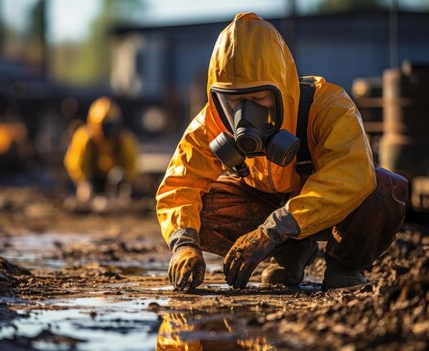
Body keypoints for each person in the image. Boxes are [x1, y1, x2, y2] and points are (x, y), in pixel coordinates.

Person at [155, 13, 408, 291]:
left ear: (281, 87)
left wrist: (274, 230)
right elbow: (180, 185)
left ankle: (345, 266)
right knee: (201, 206)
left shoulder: (328, 107)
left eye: (258, 98)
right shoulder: (213, 121)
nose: (244, 115)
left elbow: (351, 173)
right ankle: (291, 255)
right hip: (266, 208)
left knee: (384, 189)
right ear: (219, 97)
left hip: (316, 213)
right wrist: (184, 244)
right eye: (234, 100)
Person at [64, 96, 139, 205]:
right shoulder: (84, 138)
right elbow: (74, 162)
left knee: (118, 176)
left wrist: (128, 183)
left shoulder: (123, 140)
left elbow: (132, 164)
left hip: (115, 180)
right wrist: (82, 183)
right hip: (93, 178)